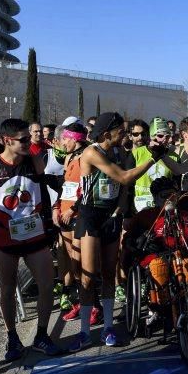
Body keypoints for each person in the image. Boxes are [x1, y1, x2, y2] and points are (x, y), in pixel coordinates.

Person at [68, 113, 164, 351]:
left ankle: (109, 327)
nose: (124, 134)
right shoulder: (92, 152)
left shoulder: (121, 152)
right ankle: (84, 332)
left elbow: (124, 184)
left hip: (111, 215)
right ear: (105, 133)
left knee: (110, 272)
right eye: (120, 131)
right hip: (91, 215)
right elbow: (123, 176)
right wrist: (153, 159)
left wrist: (121, 204)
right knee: (89, 276)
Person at [0, 118, 64, 360]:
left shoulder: (33, 161)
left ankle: (42, 336)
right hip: (5, 239)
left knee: (46, 285)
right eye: (23, 139)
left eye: (29, 138)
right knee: (8, 288)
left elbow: (42, 189)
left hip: (34, 235)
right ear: (5, 140)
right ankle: (12, 338)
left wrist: (49, 223)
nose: (28, 142)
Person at [52, 123, 89, 317]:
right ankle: (80, 302)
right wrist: (56, 208)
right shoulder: (68, 158)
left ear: (74, 139)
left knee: (79, 263)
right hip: (64, 213)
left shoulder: (86, 157)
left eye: (65, 139)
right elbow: (65, 186)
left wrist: (73, 209)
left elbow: (87, 188)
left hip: (78, 215)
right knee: (70, 263)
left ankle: (91, 305)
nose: (62, 143)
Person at [131, 117, 173, 213]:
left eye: (167, 136)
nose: (165, 140)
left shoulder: (174, 157)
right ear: (151, 136)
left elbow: (176, 184)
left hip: (163, 206)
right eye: (160, 136)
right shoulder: (136, 153)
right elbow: (128, 183)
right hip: (139, 207)